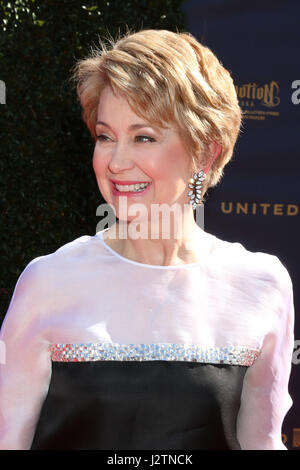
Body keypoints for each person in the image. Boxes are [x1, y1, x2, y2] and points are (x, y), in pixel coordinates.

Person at [0, 28, 294, 450]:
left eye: (144, 137)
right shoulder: (49, 282)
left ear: (205, 152)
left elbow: (260, 442)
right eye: (105, 136)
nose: (116, 162)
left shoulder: (262, 285)